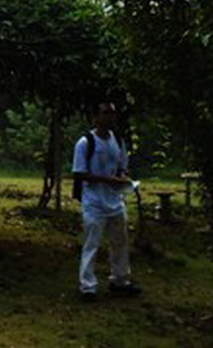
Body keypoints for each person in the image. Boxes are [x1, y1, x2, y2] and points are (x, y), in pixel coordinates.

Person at [72, 102, 141, 301]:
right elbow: (79, 173)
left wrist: (123, 179)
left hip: (115, 200)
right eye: (105, 113)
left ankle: (120, 280)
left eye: (112, 113)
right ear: (95, 116)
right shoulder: (85, 142)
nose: (110, 117)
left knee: (120, 242)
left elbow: (121, 166)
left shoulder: (117, 140)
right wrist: (107, 179)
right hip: (93, 202)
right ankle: (87, 287)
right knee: (91, 244)